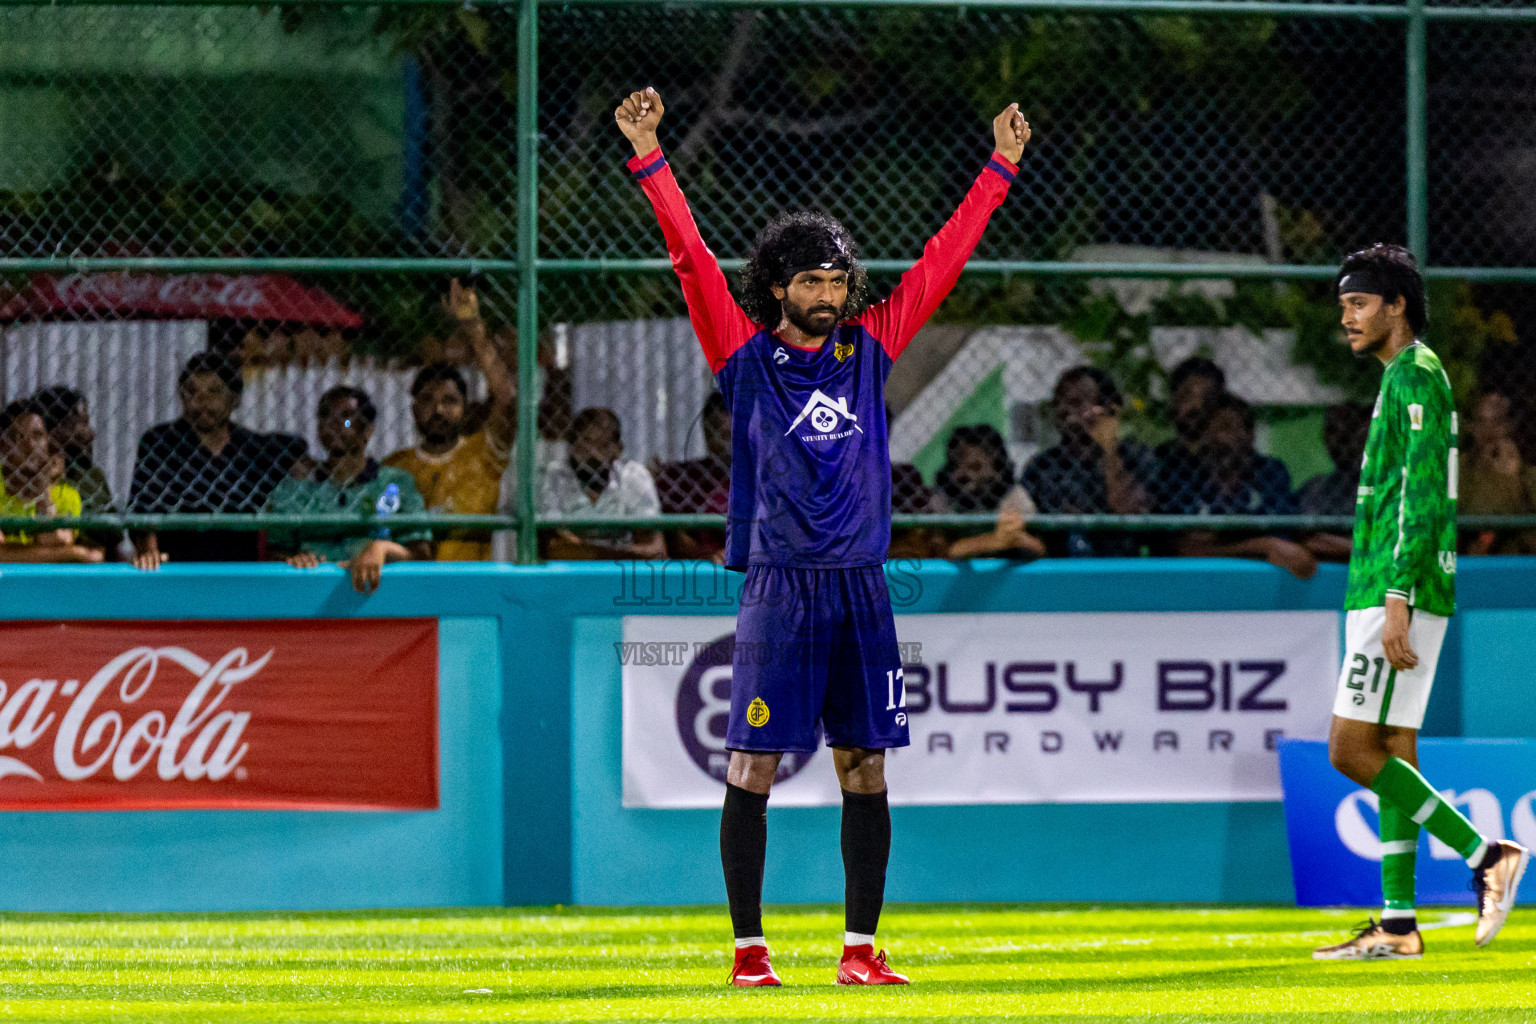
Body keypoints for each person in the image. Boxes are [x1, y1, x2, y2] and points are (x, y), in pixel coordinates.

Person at [617, 84, 1029, 985]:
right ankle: (749, 950)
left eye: (841, 281)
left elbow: (939, 264)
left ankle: (858, 950)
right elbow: (690, 257)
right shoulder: (745, 357)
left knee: (866, 765)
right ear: (777, 287)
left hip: (861, 584)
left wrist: (998, 169)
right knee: (754, 763)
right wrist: (651, 157)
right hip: (781, 584)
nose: (831, 295)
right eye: (813, 281)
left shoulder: (872, 344)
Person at [1313, 243, 1526, 961]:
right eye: (1344, 304)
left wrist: (1397, 592)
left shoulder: (1416, 375)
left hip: (1392, 585)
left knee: (1348, 749)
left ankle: (1484, 853)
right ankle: (1399, 923)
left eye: (1359, 303)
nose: (1346, 317)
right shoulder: (1407, 376)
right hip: (1389, 583)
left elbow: (1422, 493)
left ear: (1396, 305)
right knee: (1390, 748)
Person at [128, 352, 306, 566]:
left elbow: (297, 453)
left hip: (238, 569)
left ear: (235, 399)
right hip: (177, 566)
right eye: (192, 392)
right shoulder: (160, 442)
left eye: (213, 392)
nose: (201, 402)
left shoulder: (252, 448)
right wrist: (150, 551)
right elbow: (142, 509)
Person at [384, 279, 516, 561]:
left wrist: (473, 327)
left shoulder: (483, 455)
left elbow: (506, 399)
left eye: (450, 401)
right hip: (413, 594)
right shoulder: (395, 468)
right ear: (413, 409)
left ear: (465, 409)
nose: (438, 409)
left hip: (470, 592)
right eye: (428, 400)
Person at [265, 386, 432, 594]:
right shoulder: (297, 489)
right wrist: (293, 560)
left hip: (380, 597)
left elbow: (421, 554)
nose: (333, 425)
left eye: (346, 418)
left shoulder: (395, 483)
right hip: (311, 596)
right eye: (325, 417)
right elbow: (275, 552)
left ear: (367, 430)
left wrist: (381, 549)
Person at [1170, 393, 1317, 579]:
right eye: (1209, 429)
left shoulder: (1270, 472)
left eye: (1226, 427)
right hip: (1198, 580)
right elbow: (1186, 548)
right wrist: (1264, 545)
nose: (1219, 437)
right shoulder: (1186, 474)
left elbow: (1283, 539)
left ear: (1250, 434)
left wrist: (1220, 544)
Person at [1022, 366, 1154, 557]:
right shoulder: (1043, 465)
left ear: (1106, 408)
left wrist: (1109, 446)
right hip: (1060, 568)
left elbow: (1125, 509)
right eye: (1061, 400)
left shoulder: (1133, 455)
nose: (1067, 409)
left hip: (1117, 566)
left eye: (1079, 400)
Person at [538, 407, 666, 560]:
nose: (592, 454)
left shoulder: (633, 476)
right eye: (584, 444)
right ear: (570, 447)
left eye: (603, 446)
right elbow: (553, 548)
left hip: (621, 576)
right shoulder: (555, 476)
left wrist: (585, 551)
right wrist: (623, 553)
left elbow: (655, 551)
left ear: (618, 450)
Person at [0, 399, 101, 563]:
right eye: (19, 437)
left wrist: (42, 489)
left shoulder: (67, 495)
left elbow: (54, 540)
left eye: (38, 436)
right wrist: (75, 552)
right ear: (3, 446)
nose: (30, 445)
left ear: (49, 443)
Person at [932, 424, 1044, 560]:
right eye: (955, 467)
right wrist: (992, 541)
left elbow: (1039, 549)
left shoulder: (1013, 496)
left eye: (975, 467)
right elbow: (942, 550)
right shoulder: (944, 498)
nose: (964, 475)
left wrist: (1014, 538)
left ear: (996, 468)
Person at [34, 385, 121, 556]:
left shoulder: (91, 477)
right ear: (53, 429)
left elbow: (113, 542)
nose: (89, 435)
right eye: (80, 424)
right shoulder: (27, 479)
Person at [654, 392, 731, 561]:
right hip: (695, 562)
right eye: (715, 433)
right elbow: (673, 534)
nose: (722, 443)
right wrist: (707, 556)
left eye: (729, 435)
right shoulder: (681, 476)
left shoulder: (765, 478)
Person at [1459, 391, 1536, 555]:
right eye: (1482, 422)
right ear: (1471, 427)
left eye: (1497, 423)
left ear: (1510, 426)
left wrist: (1511, 478)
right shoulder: (1460, 468)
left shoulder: (1526, 474)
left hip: (1513, 559)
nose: (1489, 432)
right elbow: (1467, 514)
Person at [1296, 402, 1373, 562]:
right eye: (1332, 430)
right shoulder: (1317, 488)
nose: (1340, 439)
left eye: (1349, 430)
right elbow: (1310, 541)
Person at [1152, 356, 1226, 513]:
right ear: (1173, 400)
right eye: (1187, 395)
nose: (1197, 405)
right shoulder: (1157, 462)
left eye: (1207, 398)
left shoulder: (1231, 460)